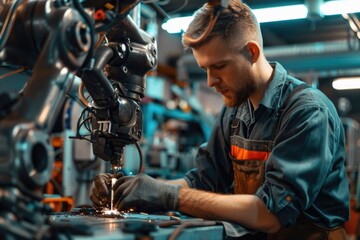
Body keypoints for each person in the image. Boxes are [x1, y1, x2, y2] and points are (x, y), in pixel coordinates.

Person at [90, 1, 350, 239]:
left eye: (219, 66)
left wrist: (168, 195)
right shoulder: (235, 110)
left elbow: (270, 215)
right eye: (204, 69)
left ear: (251, 52)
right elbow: (203, 181)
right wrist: (137, 189)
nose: (210, 81)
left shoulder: (307, 112)